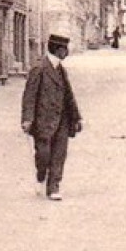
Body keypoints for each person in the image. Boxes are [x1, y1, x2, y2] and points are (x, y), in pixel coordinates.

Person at [21, 34, 83, 201]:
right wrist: (27, 118)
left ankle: (54, 187)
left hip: (62, 119)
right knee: (43, 154)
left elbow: (69, 95)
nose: (67, 52)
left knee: (59, 154)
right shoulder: (39, 68)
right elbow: (29, 95)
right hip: (43, 120)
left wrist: (77, 118)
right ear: (57, 49)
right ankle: (41, 175)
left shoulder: (61, 70)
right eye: (65, 49)